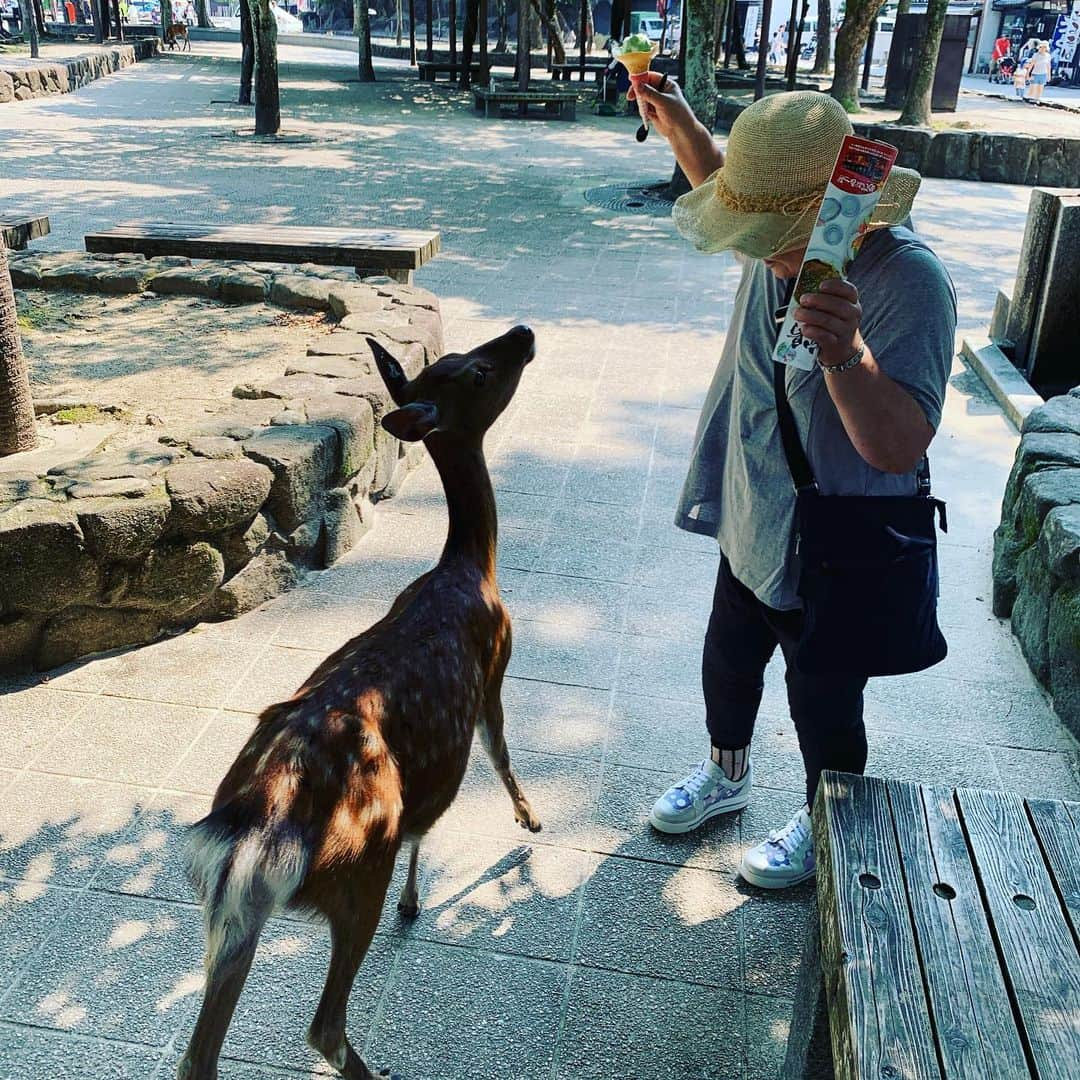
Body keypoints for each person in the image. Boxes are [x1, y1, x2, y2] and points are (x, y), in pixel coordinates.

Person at [629, 84, 956, 889]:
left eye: (774, 233)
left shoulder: (908, 283)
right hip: (755, 508)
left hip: (834, 543)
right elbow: (727, 189)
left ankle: (827, 817)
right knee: (728, 660)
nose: (760, 250)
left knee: (826, 704)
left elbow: (899, 444)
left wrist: (846, 352)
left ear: (844, 206)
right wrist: (685, 130)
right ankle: (727, 773)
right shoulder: (784, 235)